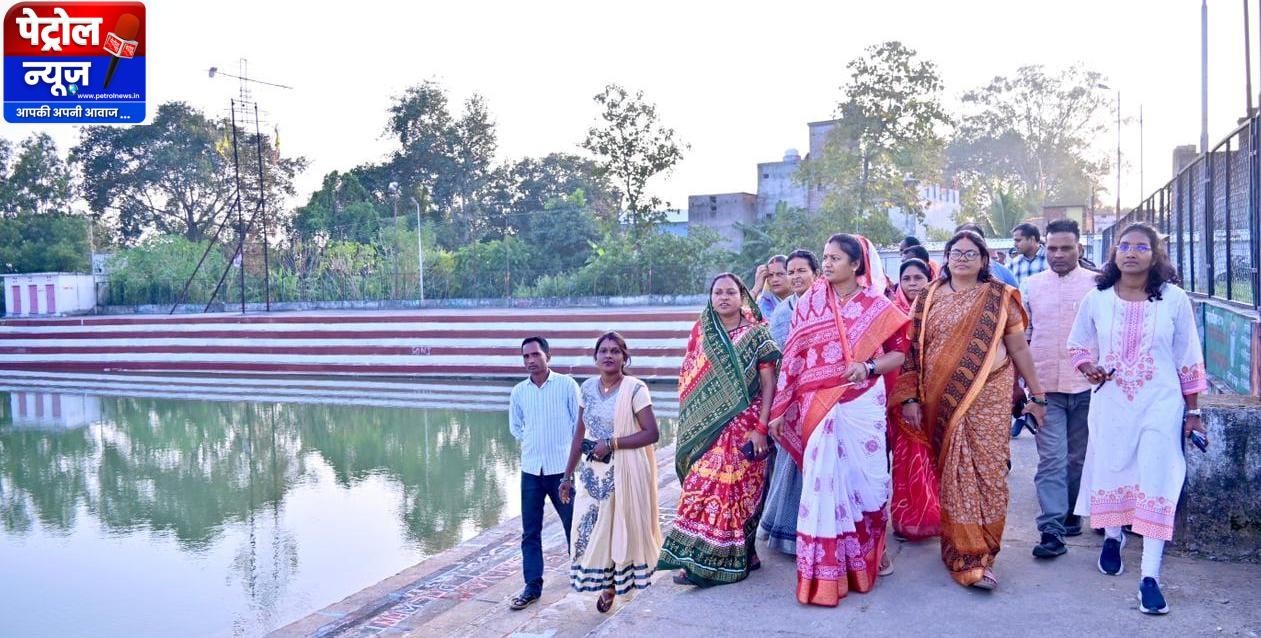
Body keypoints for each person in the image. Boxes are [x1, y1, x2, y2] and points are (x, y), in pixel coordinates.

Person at [892, 230, 1047, 590]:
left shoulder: (1000, 297)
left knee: (989, 473)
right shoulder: (928, 297)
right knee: (954, 475)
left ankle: (985, 548)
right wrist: (910, 397)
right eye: (956, 253)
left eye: (970, 253)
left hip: (990, 397)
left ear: (983, 260)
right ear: (945, 258)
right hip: (940, 399)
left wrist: (1037, 394)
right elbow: (913, 351)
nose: (962, 259)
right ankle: (966, 554)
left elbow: (1019, 349)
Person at [1068, 223, 1207, 615]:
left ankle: (1150, 575)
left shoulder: (1174, 299)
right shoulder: (1096, 298)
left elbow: (1188, 356)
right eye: (1124, 246)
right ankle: (1113, 535)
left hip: (1160, 403)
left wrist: (1194, 412)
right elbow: (1077, 345)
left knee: (1157, 476)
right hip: (1111, 402)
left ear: (1155, 254)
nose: (1131, 252)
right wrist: (1089, 367)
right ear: (1114, 253)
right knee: (1113, 468)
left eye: (1141, 247)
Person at [768, 234, 908, 606]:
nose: (827, 264)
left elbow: (899, 355)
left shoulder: (877, 305)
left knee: (867, 482)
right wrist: (780, 408)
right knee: (822, 485)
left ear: (856, 264)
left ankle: (870, 555)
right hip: (819, 405)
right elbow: (793, 358)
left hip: (862, 404)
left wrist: (868, 367)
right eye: (825, 257)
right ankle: (824, 573)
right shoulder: (810, 303)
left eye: (835, 258)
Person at [659, 272, 782, 587]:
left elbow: (769, 384)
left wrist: (761, 427)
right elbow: (690, 378)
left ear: (742, 297)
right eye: (718, 293)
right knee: (700, 488)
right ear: (711, 298)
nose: (724, 297)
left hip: (747, 425)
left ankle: (736, 558)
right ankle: (702, 560)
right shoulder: (703, 332)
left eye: (730, 292)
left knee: (738, 493)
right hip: (708, 428)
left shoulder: (757, 334)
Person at [559, 332, 663, 613]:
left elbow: (652, 433)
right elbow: (579, 435)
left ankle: (614, 586)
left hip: (625, 471)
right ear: (595, 357)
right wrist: (567, 476)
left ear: (624, 357)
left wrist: (612, 443)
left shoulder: (635, 389)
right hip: (592, 473)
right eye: (603, 351)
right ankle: (607, 582)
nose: (608, 355)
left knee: (619, 529)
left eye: (615, 351)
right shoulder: (587, 388)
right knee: (590, 528)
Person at [1022, 219, 1097, 558]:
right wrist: (1021, 384)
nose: (1058, 254)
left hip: (1088, 388)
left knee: (1078, 458)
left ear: (1079, 248)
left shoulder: (1098, 285)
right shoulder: (1032, 285)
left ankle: (1071, 512)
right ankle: (1051, 530)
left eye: (1066, 248)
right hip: (1044, 389)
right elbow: (1023, 336)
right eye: (1052, 248)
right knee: (1052, 459)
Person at [508, 337, 582, 610]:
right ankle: (532, 586)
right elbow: (516, 427)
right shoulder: (519, 392)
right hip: (531, 471)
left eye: (535, 355)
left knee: (573, 524)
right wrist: (534, 441)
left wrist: (569, 465)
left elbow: (579, 426)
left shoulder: (567, 385)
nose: (530, 360)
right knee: (530, 532)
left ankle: (582, 572)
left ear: (548, 356)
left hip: (561, 471)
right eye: (526, 356)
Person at [759, 249, 819, 555]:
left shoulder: (827, 304)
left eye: (801, 271)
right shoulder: (784, 311)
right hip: (791, 398)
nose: (795, 277)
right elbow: (777, 360)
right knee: (789, 464)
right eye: (791, 272)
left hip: (823, 395)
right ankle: (789, 534)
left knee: (820, 463)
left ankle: (820, 533)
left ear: (815, 274)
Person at [888, 257, 941, 540]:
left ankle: (937, 514)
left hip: (938, 396)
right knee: (910, 458)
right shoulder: (892, 313)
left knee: (936, 458)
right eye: (906, 279)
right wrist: (909, 399)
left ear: (930, 279)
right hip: (903, 398)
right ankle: (909, 520)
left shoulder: (940, 310)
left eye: (918, 278)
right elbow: (899, 359)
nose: (912, 284)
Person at [955, 223, 1018, 287]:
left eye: (972, 240)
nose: (966, 244)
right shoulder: (949, 274)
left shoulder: (1002, 273)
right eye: (961, 240)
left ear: (983, 243)